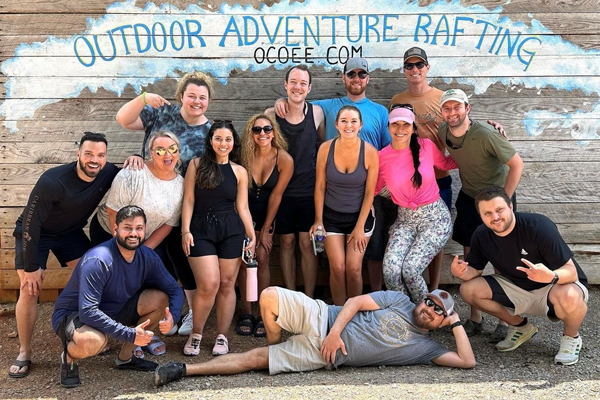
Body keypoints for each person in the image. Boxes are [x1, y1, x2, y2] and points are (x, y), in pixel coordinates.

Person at [154, 286, 475, 386]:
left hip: (324, 357)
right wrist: (335, 333)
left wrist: (457, 322)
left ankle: (182, 370)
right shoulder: (399, 300)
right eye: (429, 301)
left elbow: (466, 361)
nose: (430, 309)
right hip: (323, 316)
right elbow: (354, 302)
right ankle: (275, 340)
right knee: (268, 296)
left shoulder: (424, 347)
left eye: (438, 311)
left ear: (442, 322)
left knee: (254, 361)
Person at [389, 46, 506, 292]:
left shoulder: (443, 98)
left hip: (438, 178)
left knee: (435, 238)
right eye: (409, 65)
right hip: (410, 184)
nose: (414, 69)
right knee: (414, 239)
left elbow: (463, 126)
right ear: (404, 70)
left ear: (427, 67)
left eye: (419, 64)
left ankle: (433, 288)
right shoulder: (397, 101)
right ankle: (415, 287)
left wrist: (494, 132)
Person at [274, 58, 391, 293]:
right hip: (333, 199)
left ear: (367, 78)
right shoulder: (328, 107)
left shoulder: (379, 111)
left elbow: (389, 151)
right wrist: (280, 101)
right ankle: (336, 312)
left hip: (367, 194)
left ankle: (366, 307)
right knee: (337, 267)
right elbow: (298, 100)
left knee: (364, 260)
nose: (356, 78)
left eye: (361, 74)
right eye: (352, 74)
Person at [8, 132, 119, 379]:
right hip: (35, 234)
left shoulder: (108, 172)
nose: (94, 160)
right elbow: (29, 224)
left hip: (69, 233)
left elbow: (127, 172)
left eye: (100, 155)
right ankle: (24, 352)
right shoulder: (53, 181)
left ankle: (92, 333)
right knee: (30, 288)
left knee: (97, 278)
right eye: (88, 154)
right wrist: (30, 266)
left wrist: (135, 158)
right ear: (77, 154)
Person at [116, 71, 215, 337]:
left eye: (202, 97)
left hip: (183, 205)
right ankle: (161, 313)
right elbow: (123, 119)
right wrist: (144, 97)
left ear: (209, 101)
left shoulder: (210, 131)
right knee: (156, 261)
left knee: (183, 258)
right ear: (181, 96)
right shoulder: (163, 114)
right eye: (191, 95)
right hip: (147, 201)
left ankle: (191, 310)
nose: (196, 101)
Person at [451, 186, 588, 365]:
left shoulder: (538, 226)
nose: (495, 217)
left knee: (570, 295)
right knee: (468, 289)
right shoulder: (481, 234)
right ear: (481, 216)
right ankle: (521, 327)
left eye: (499, 210)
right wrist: (460, 272)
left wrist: (551, 276)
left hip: (553, 286)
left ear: (510, 206)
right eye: (488, 213)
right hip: (516, 287)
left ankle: (571, 338)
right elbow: (475, 270)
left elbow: (571, 272)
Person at [52, 206, 184, 388]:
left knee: (159, 299)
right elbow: (88, 312)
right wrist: (130, 334)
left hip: (114, 309)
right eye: (127, 228)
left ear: (145, 231)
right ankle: (69, 358)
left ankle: (126, 358)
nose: (133, 233)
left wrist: (173, 317)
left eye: (139, 228)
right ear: (115, 230)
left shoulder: (147, 256)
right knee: (93, 341)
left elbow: (174, 290)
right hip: (74, 315)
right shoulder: (99, 259)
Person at [438, 88, 524, 337]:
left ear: (468, 109)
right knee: (469, 257)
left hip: (497, 200)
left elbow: (517, 164)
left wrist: (504, 201)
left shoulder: (487, 135)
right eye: (447, 108)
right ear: (442, 112)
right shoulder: (444, 131)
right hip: (469, 198)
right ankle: (475, 318)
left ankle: (506, 321)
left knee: (501, 259)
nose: (452, 113)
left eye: (457, 107)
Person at [90, 130, 185, 356]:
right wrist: (123, 248)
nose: (167, 155)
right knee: (113, 285)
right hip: (110, 232)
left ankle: (142, 333)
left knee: (150, 285)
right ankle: (101, 334)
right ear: (150, 153)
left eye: (172, 149)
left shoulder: (180, 183)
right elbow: (113, 210)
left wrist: (143, 251)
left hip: (147, 239)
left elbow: (169, 223)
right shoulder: (134, 173)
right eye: (160, 150)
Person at [181, 120, 256, 356]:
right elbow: (189, 200)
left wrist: (251, 234)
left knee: (226, 284)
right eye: (218, 138)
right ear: (211, 141)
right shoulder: (196, 164)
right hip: (200, 228)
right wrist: (185, 230)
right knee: (209, 284)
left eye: (228, 139)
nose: (223, 143)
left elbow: (242, 207)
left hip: (231, 230)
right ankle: (197, 333)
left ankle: (222, 337)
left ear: (233, 142)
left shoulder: (240, 171)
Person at [376, 105, 457, 303]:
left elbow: (447, 164)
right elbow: (376, 189)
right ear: (388, 127)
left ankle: (425, 312)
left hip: (435, 219)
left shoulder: (426, 146)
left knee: (411, 270)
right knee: (391, 270)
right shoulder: (381, 157)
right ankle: (404, 313)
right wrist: (398, 195)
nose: (400, 128)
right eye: (395, 124)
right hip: (405, 221)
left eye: (406, 124)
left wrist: (477, 147)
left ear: (413, 128)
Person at [265, 65, 325, 298]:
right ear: (285, 85)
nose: (297, 86)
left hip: (309, 191)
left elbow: (322, 142)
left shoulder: (317, 113)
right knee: (287, 243)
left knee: (307, 245)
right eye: (293, 81)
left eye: (302, 83)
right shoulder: (272, 115)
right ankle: (291, 296)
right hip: (281, 193)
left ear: (309, 88)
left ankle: (308, 298)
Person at [311, 106, 379, 305]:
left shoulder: (370, 152)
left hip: (360, 217)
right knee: (338, 268)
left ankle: (354, 314)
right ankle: (338, 312)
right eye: (344, 121)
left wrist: (359, 227)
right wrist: (318, 220)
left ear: (360, 125)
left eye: (353, 121)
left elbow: (369, 193)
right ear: (336, 124)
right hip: (331, 216)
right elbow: (320, 186)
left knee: (353, 269)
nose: (348, 125)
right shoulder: (325, 148)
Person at [237, 114, 293, 337]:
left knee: (262, 257)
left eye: (267, 129)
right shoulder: (243, 157)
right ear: (251, 133)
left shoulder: (284, 159)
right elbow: (238, 196)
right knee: (244, 261)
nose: (262, 134)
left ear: (274, 132)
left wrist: (267, 230)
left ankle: (263, 311)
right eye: (257, 130)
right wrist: (247, 228)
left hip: (267, 215)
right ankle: (246, 312)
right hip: (243, 213)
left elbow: (276, 196)